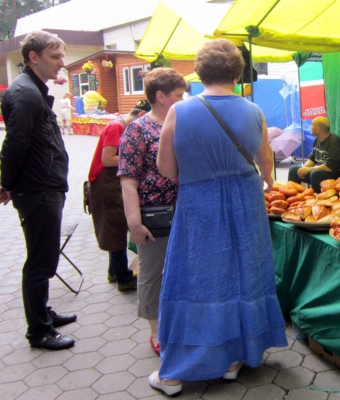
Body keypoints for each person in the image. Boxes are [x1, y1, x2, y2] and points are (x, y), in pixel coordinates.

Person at [148, 39, 288, 396]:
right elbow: (266, 164)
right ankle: (232, 359)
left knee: (197, 278)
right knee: (243, 275)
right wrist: (268, 181)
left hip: (199, 203)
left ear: (199, 71)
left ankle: (175, 373)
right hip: (245, 201)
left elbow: (166, 168)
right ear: (237, 72)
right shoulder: (253, 111)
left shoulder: (180, 111)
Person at [0, 30, 76, 350]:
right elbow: (14, 144)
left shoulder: (30, 89)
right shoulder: (26, 93)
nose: (61, 63)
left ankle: (43, 312)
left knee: (43, 258)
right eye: (55, 56)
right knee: (40, 262)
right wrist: (6, 183)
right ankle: (39, 332)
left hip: (42, 187)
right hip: (38, 190)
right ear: (33, 57)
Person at [118, 68, 186, 357]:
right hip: (154, 215)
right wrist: (134, 223)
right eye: (178, 95)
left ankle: (178, 324)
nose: (184, 100)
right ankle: (156, 332)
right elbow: (128, 181)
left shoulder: (181, 122)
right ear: (160, 96)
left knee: (180, 271)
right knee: (152, 274)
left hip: (184, 211)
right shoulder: (138, 129)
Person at [87, 102, 150, 292]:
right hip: (105, 184)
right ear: (141, 114)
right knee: (115, 230)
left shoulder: (120, 126)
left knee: (115, 228)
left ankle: (114, 272)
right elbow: (107, 159)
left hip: (111, 183)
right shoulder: (117, 127)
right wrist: (137, 156)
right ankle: (123, 278)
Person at [287, 116, 340, 193]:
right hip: (319, 171)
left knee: (315, 174)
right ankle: (294, 198)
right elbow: (312, 158)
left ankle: (317, 201)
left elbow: (329, 167)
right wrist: (304, 168)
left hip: (334, 174)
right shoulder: (317, 140)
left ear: (318, 130)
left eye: (312, 125)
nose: (310, 126)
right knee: (294, 169)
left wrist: (309, 169)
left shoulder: (334, 141)